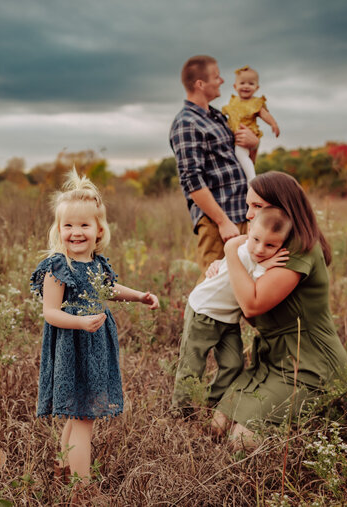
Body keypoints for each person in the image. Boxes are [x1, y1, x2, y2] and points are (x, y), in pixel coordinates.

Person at [30, 169, 159, 500]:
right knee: (84, 416)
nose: (76, 232)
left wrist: (140, 295)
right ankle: (83, 489)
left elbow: (109, 289)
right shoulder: (58, 267)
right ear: (58, 230)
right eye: (68, 225)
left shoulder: (97, 264)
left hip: (94, 346)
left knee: (78, 415)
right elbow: (50, 312)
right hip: (72, 345)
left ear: (99, 229)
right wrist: (81, 323)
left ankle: (61, 469)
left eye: (84, 225)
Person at [209, 171, 347, 451]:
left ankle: (315, 429)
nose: (248, 214)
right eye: (248, 206)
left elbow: (251, 303)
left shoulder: (299, 249)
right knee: (217, 425)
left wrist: (229, 251)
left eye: (257, 206)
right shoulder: (264, 243)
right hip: (271, 358)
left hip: (308, 362)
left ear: (284, 208)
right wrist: (220, 270)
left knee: (241, 441)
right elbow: (246, 309)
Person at [171, 207, 291, 415]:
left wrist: (266, 265)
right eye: (256, 239)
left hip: (228, 319)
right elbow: (252, 286)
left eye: (270, 245)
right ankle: (181, 411)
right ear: (250, 230)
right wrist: (266, 265)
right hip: (204, 311)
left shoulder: (257, 256)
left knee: (234, 363)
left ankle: (211, 401)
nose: (260, 249)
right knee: (192, 364)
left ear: (282, 245)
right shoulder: (243, 252)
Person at [169, 55, 260, 285]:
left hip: (241, 212)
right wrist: (222, 222)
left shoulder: (218, 116)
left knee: (240, 282)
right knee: (213, 283)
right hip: (217, 219)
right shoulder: (187, 123)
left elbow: (242, 164)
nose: (222, 80)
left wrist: (253, 145)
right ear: (200, 83)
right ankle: (197, 322)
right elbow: (192, 181)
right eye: (216, 76)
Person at [221, 65, 280, 182]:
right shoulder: (233, 101)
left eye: (251, 84)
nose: (246, 86)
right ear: (235, 86)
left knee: (241, 155)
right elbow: (229, 116)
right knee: (237, 155)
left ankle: (251, 179)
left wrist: (273, 124)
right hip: (234, 134)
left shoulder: (255, 103)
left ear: (257, 88)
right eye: (242, 83)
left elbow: (264, 114)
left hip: (246, 135)